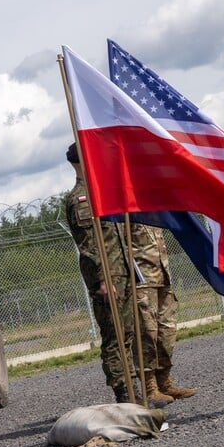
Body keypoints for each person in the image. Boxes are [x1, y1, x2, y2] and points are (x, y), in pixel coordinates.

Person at [64, 142, 136, 403]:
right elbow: (89, 246)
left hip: (122, 272)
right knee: (115, 335)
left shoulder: (99, 193)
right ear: (80, 161)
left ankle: (134, 386)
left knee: (128, 332)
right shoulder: (81, 199)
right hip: (108, 278)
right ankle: (125, 392)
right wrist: (103, 279)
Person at [131, 223, 196, 404]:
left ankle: (165, 382)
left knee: (167, 331)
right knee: (147, 333)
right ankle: (149, 388)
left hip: (162, 275)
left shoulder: (151, 208)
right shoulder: (125, 208)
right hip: (141, 280)